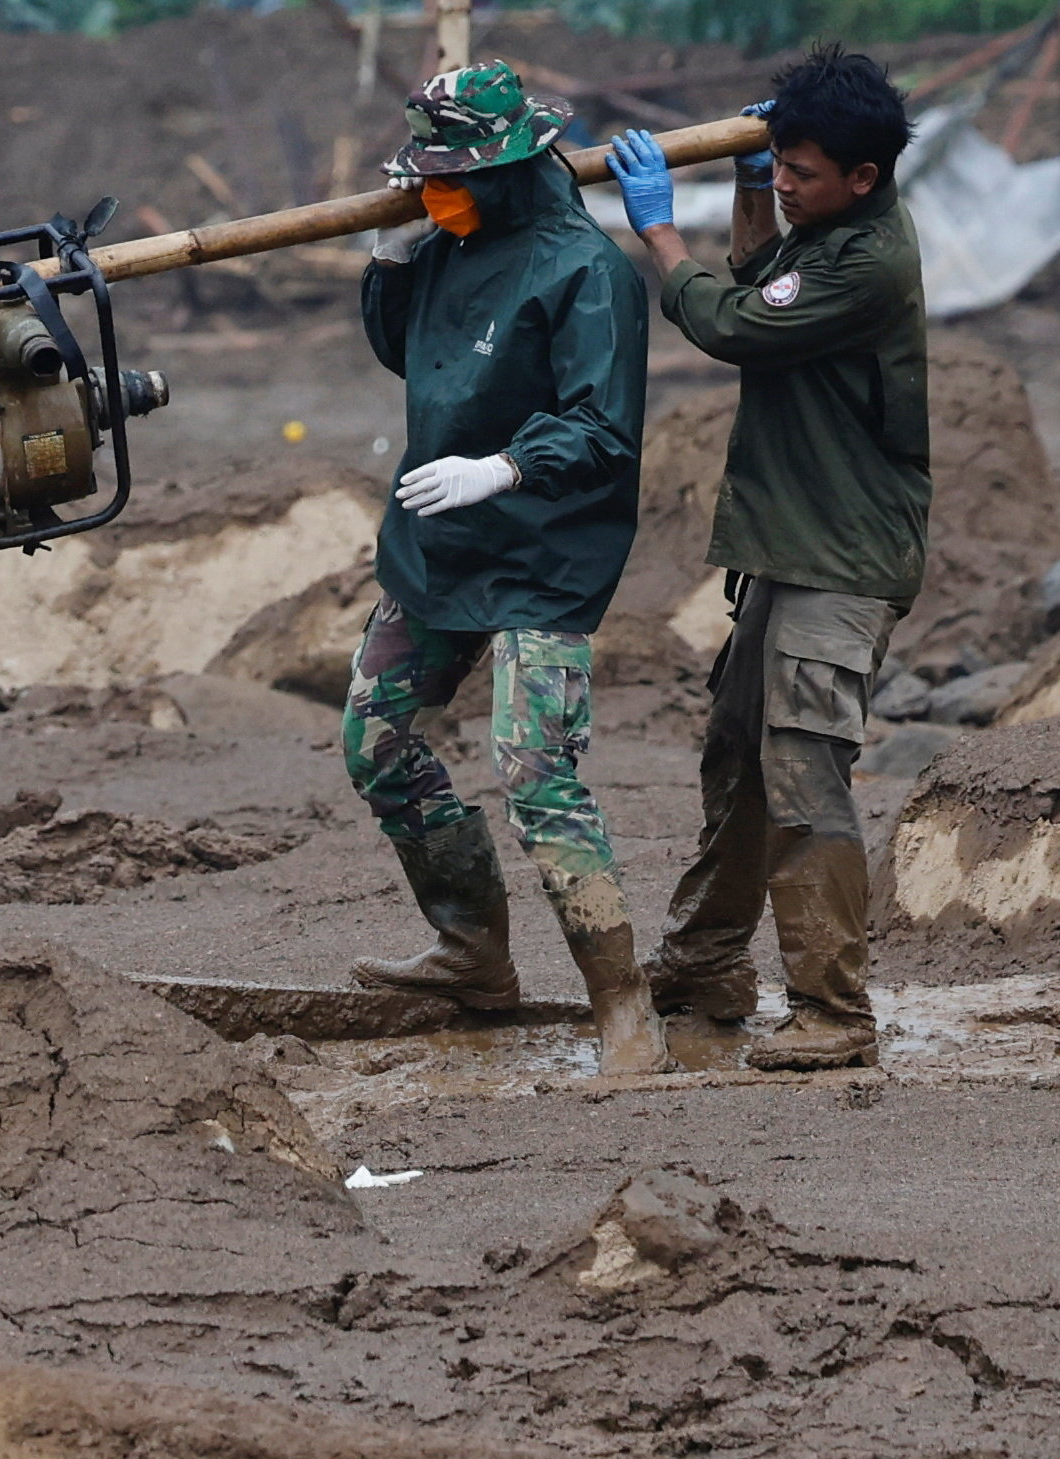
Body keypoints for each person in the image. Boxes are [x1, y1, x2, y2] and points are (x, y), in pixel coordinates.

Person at [606, 46, 926, 1071]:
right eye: (777, 166)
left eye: (798, 173)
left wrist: (655, 227)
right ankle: (705, 966)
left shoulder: (866, 259)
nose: (785, 186)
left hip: (842, 557)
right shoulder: (823, 231)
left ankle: (833, 1013)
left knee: (801, 775)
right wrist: (748, 181)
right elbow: (755, 276)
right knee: (737, 760)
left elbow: (732, 321)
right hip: (789, 548)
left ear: (861, 178)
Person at [345, 61, 668, 1076]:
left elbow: (602, 427)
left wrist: (504, 467)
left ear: (507, 167)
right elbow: (413, 356)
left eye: (451, 180)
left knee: (532, 770)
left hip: (543, 550)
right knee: (377, 740)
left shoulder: (586, 271)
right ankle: (472, 952)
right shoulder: (447, 243)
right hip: (438, 543)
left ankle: (621, 1001)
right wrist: (387, 265)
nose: (435, 194)